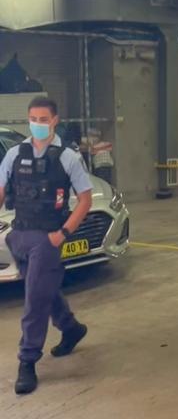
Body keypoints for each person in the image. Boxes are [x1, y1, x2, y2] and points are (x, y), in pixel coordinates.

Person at [0, 97, 93, 395]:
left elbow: (86, 199)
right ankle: (71, 327)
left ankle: (27, 360)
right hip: (20, 235)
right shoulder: (15, 153)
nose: (37, 124)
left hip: (47, 239)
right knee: (43, 290)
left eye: (43, 119)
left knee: (34, 301)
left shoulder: (67, 157)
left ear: (54, 120)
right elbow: (1, 190)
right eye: (33, 119)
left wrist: (63, 233)